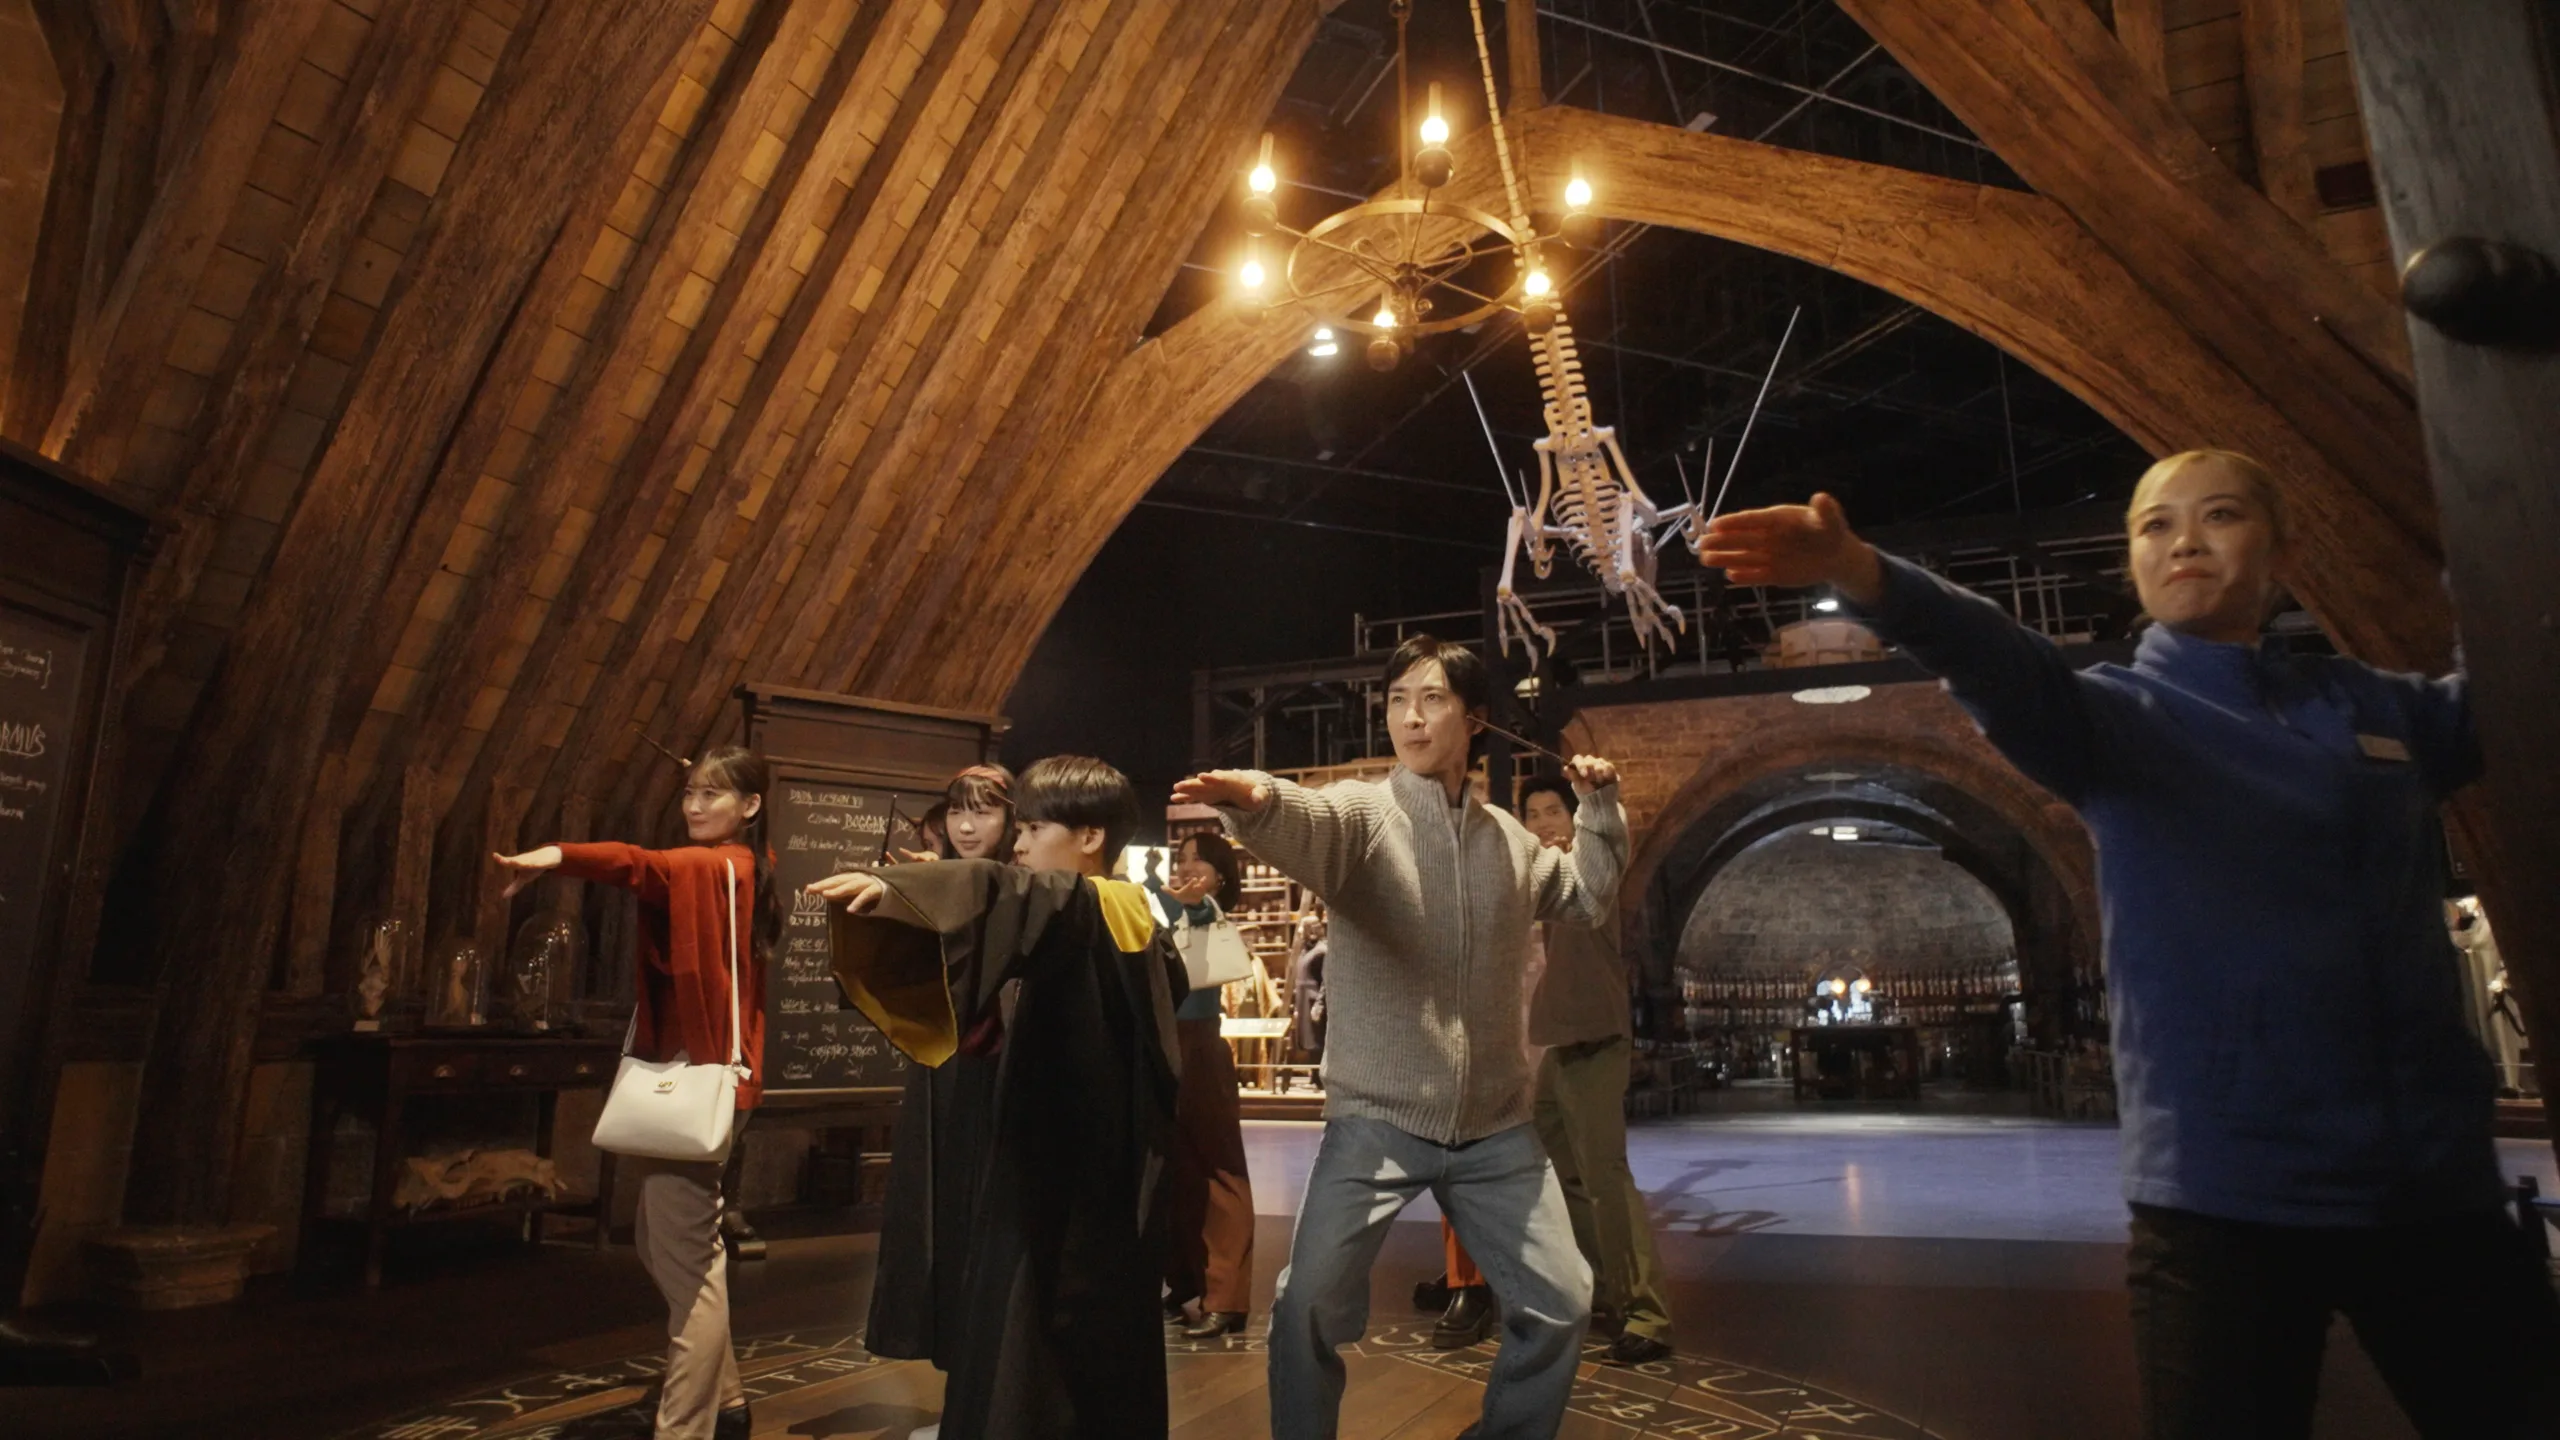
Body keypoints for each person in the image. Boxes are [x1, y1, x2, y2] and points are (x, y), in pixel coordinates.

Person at [1702, 450, 2560, 1440]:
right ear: (2133, 562)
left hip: (2431, 1191)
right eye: (2156, 524)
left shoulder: (2379, 709)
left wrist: (2485, 514)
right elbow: (1992, 654)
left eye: (2221, 514)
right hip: (2221, 1202)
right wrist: (1859, 570)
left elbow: (2518, 677)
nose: (2185, 540)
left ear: (2283, 555)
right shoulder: (2112, 718)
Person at [1174, 635, 1625, 1440]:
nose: (1411, 718)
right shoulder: (1364, 816)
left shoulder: (1511, 842)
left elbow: (1587, 896)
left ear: (1475, 719)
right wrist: (1257, 796)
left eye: (1433, 699)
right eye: (1396, 701)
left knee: (1562, 1301)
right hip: (1376, 1119)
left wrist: (1599, 811)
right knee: (1306, 1306)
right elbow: (1308, 816)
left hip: (1495, 1127)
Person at [809, 755, 1185, 1440]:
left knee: (1028, 1355)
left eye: (1034, 829)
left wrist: (899, 889)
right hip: (1094, 1181)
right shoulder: (1132, 919)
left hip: (1057, 1189)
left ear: (1091, 836)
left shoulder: (1089, 904)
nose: (1019, 844)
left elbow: (1003, 891)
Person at [491, 746, 774, 1440]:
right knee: (663, 1243)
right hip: (697, 1076)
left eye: (713, 794)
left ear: (750, 806)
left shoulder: (724, 866)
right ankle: (727, 1402)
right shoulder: (740, 866)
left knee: (691, 1266)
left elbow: (643, 865)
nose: (695, 806)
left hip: (704, 1081)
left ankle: (686, 1429)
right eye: (690, 792)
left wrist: (559, 855)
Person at [1517, 773, 1675, 1364]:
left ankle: (1648, 1315)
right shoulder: (1543, 876)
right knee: (1563, 1173)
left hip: (1596, 1035)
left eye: (1554, 811)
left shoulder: (1592, 863)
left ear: (1574, 817)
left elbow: (1611, 836)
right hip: (1560, 1041)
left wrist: (1596, 804)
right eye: (1533, 814)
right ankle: (1605, 1291)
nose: (1543, 824)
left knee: (1605, 1177)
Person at [1147, 831, 1258, 1339]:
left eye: (1200, 860)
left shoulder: (1205, 912)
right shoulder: (1168, 909)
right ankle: (1185, 1280)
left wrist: (1185, 902)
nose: (1188, 867)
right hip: (1164, 1046)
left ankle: (1227, 1298)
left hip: (1198, 1049)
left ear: (1221, 876)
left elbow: (1194, 918)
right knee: (1173, 1170)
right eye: (1183, 858)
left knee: (1218, 1170)